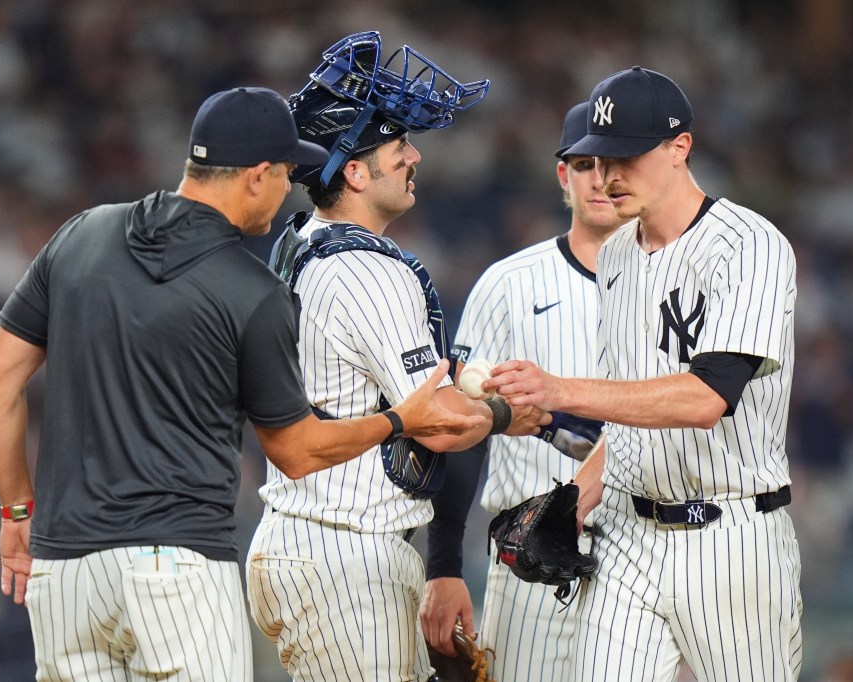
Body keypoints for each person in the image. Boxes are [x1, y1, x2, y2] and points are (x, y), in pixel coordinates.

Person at [0, 86, 485, 682]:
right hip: (177, 567)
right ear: (255, 175)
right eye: (285, 172)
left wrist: (15, 511)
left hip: (63, 568)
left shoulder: (82, 234)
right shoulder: (249, 290)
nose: (291, 184)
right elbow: (296, 452)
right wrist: (398, 420)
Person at [244, 32, 547, 682]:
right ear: (354, 170)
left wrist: (468, 375)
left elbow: (398, 378)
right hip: (344, 556)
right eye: (396, 146)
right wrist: (504, 413)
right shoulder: (368, 269)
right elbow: (437, 421)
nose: (413, 157)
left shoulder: (303, 241)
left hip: (310, 542)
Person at [484, 66, 803, 682]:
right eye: (599, 159)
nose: (606, 177)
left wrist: (558, 388)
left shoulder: (749, 246)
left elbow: (706, 397)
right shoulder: (619, 255)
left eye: (625, 157)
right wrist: (575, 500)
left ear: (680, 147)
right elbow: (630, 417)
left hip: (731, 536)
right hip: (628, 534)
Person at [418, 101, 625, 681]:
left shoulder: (677, 285)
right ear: (563, 174)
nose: (600, 178)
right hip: (529, 553)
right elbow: (458, 433)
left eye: (614, 163)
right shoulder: (509, 285)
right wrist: (443, 564)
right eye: (583, 163)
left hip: (644, 548)